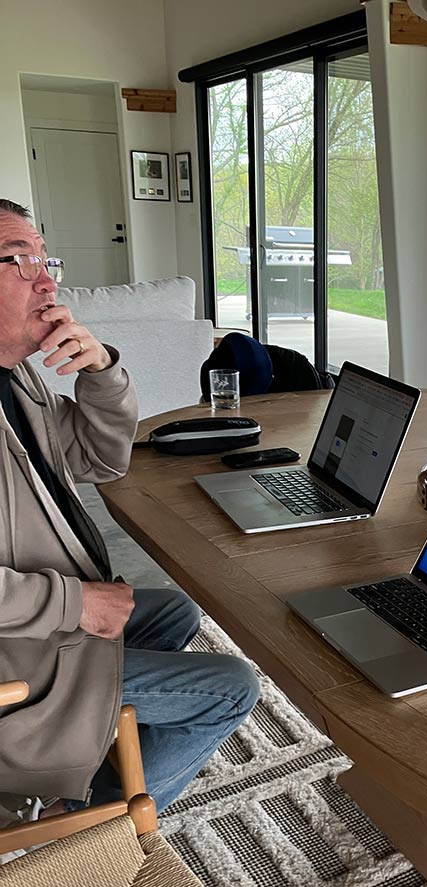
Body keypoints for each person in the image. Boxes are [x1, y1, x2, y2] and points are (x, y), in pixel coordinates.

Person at [0, 198, 259, 818]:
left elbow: (98, 459)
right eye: (18, 260)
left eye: (45, 258)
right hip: (19, 668)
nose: (46, 279)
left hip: (33, 633)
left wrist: (103, 372)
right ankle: (91, 830)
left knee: (171, 610)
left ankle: (86, 770)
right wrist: (77, 603)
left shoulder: (15, 375)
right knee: (232, 688)